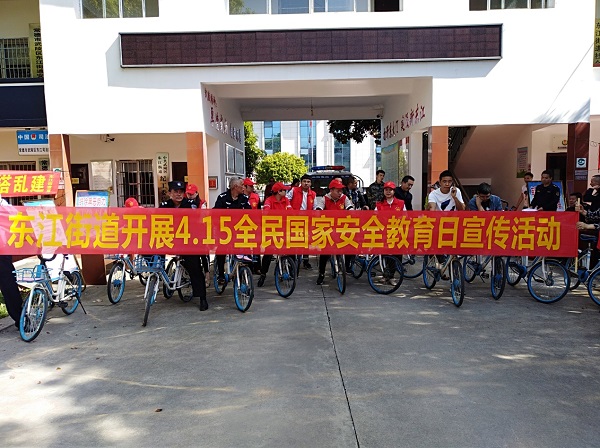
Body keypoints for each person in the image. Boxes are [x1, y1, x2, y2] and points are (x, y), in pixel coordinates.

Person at [160, 180, 208, 311]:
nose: (178, 194)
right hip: (169, 239)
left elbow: (197, 222)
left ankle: (202, 297)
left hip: (188, 241)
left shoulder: (190, 205)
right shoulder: (164, 206)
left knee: (195, 267)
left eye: (181, 192)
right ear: (169, 193)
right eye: (175, 191)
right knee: (154, 254)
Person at [314, 179, 354, 285]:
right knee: (325, 253)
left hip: (342, 227)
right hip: (328, 228)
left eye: (341, 190)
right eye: (338, 191)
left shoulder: (344, 198)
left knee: (351, 245)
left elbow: (349, 207)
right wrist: (318, 213)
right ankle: (321, 274)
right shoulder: (324, 199)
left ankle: (347, 266)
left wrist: (352, 213)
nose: (340, 193)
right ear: (331, 190)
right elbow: (319, 208)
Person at [214, 177, 252, 285]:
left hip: (239, 229)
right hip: (224, 230)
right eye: (241, 185)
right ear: (235, 187)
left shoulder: (244, 198)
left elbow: (251, 213)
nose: (243, 188)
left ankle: (244, 269)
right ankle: (220, 275)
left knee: (246, 245)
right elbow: (216, 214)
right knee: (221, 249)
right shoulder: (222, 198)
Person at [257, 182, 292, 287]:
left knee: (290, 250)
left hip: (283, 228)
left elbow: (290, 211)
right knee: (268, 253)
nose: (286, 192)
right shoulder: (269, 200)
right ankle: (263, 274)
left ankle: (291, 270)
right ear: (279, 192)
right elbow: (266, 211)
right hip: (271, 229)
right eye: (284, 190)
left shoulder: (286, 200)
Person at [0, 194, 23, 329]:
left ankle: (20, 318)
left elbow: (16, 217)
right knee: (8, 285)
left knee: (8, 285)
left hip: (2, 251)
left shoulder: (5, 206)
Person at [287, 174, 316, 269]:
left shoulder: (313, 194)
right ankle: (292, 262)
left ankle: (306, 261)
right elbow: (286, 200)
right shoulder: (294, 190)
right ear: (301, 182)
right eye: (304, 181)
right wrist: (290, 210)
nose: (306, 183)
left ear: (310, 183)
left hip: (307, 221)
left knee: (306, 241)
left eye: (308, 182)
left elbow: (315, 207)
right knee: (294, 241)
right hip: (294, 220)